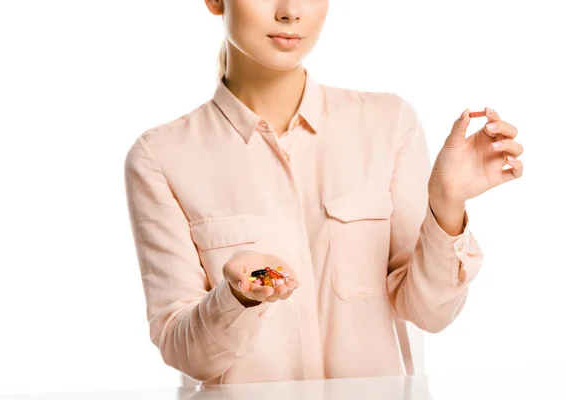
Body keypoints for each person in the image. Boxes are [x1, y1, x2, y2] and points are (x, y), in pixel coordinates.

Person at [124, 0, 523, 387]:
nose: (290, 11)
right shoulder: (161, 156)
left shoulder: (388, 124)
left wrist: (447, 205)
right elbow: (184, 352)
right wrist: (236, 299)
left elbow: (429, 312)